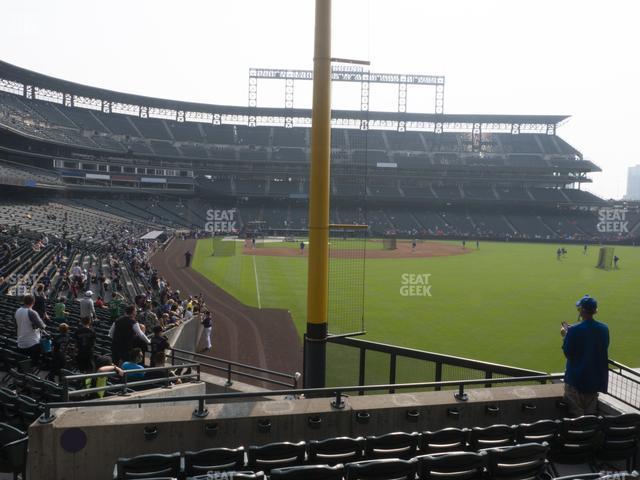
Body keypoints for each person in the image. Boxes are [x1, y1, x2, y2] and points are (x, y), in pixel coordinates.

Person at [560, 295, 609, 417]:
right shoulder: (604, 329)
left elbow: (567, 352)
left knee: (577, 417)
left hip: (576, 379)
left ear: (582, 311)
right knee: (590, 417)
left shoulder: (574, 331)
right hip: (594, 379)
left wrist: (565, 335)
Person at [15, 294, 47, 364]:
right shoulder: (32, 312)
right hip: (32, 344)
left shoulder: (18, 310)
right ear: (33, 302)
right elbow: (42, 326)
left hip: (20, 342)